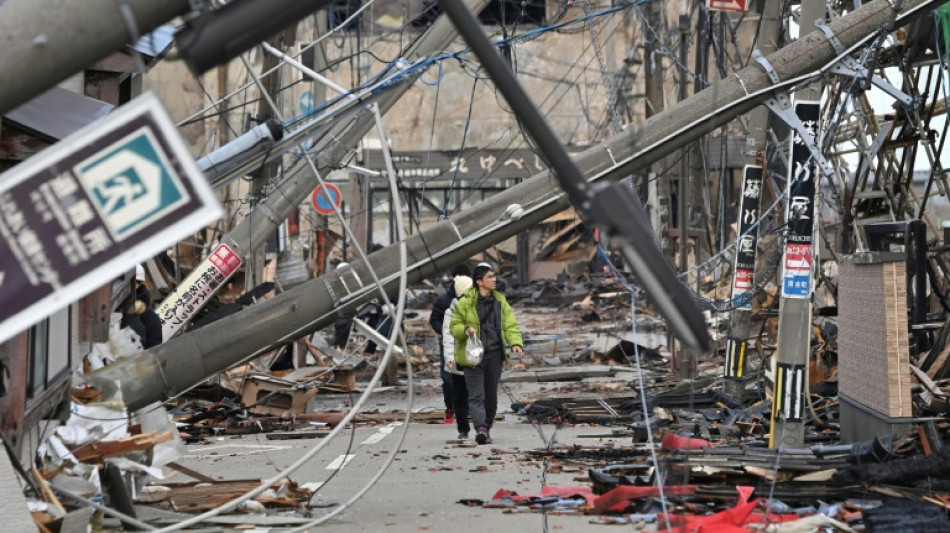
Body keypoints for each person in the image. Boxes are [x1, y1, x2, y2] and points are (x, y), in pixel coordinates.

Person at [450, 263, 523, 445]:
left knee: (491, 396)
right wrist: (465, 330)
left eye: (493, 276)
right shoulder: (465, 302)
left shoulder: (500, 302)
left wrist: (515, 343)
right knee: (476, 395)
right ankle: (480, 429)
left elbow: (510, 325)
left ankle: (487, 427)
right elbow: (454, 326)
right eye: (490, 276)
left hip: (495, 355)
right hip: (472, 355)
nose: (494, 279)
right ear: (479, 281)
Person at [429, 264, 472, 425]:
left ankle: (465, 410)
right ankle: (450, 407)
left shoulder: (474, 298)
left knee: (467, 378)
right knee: (447, 379)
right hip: (448, 344)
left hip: (468, 345)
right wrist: (446, 331)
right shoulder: (443, 300)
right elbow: (434, 320)